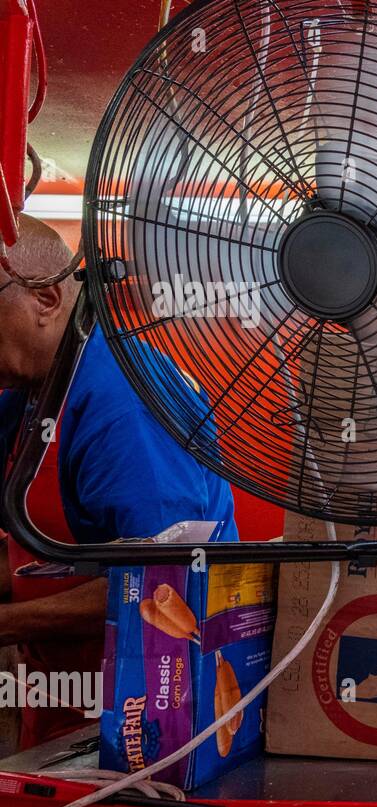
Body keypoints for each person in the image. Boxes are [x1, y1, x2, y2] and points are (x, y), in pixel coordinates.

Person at [0, 214, 240, 749]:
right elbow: (24, 547)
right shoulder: (29, 389)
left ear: (44, 298)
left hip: (146, 708)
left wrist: (8, 624)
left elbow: (161, 581)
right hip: (62, 696)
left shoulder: (121, 403)